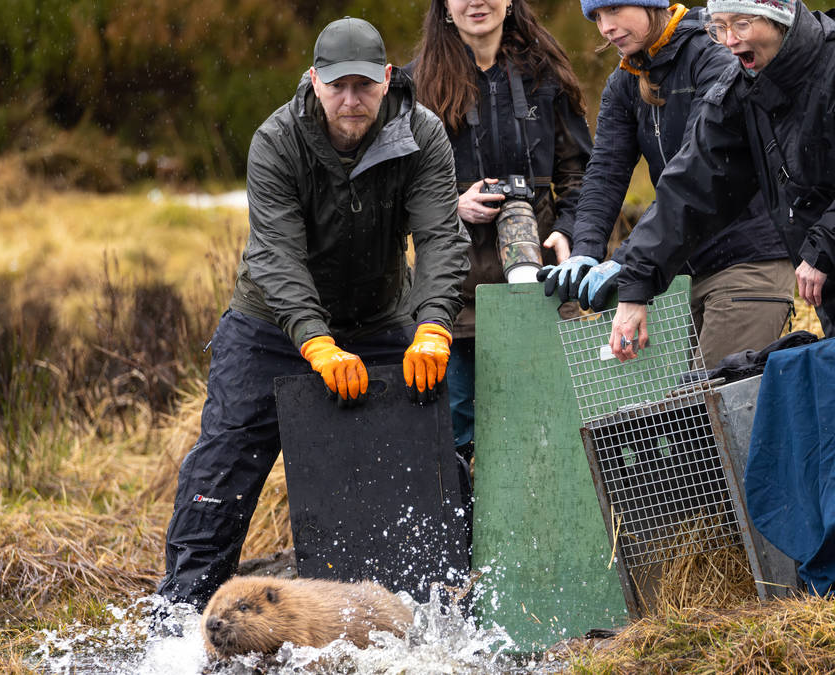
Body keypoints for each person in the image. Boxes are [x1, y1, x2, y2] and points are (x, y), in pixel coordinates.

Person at [156, 17, 470, 610]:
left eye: (364, 87)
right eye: (337, 87)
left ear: (387, 78)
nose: (351, 101)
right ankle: (180, 623)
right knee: (220, 473)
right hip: (270, 325)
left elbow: (440, 239)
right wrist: (316, 343)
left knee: (424, 462)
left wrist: (432, 326)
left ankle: (428, 617)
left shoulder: (423, 136)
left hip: (380, 320)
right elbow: (277, 256)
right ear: (313, 81)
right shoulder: (276, 141)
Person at [598, 0, 835, 359]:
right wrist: (636, 279)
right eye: (718, 27)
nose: (728, 40)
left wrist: (825, 247)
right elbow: (692, 186)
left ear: (779, 17)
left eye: (741, 24)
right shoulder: (741, 89)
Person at [541, 0, 793, 368]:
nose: (606, 27)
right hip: (675, 269)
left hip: (746, 261)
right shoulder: (625, 80)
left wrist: (627, 261)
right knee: (675, 417)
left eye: (613, 10)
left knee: (717, 406)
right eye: (596, 17)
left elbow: (697, 171)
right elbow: (605, 173)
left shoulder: (713, 56)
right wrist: (587, 250)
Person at [406, 0, 592, 456]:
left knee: (551, 426)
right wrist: (453, 205)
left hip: (540, 284)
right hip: (452, 296)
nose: (477, 2)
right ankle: (464, 528)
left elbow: (581, 173)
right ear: (445, 7)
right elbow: (392, 189)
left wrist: (568, 229)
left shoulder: (546, 73)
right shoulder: (414, 84)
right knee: (455, 436)